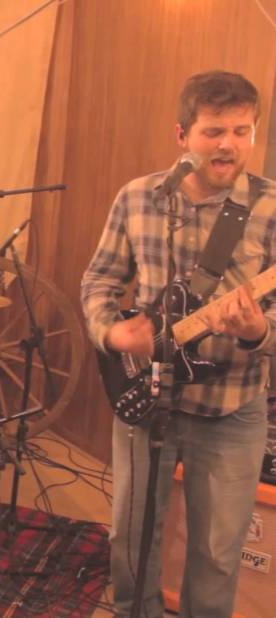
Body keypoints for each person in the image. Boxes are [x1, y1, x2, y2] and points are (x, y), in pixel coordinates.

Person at [81, 71, 275, 617]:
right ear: (182, 134)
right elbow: (99, 281)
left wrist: (258, 331)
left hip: (233, 407)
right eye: (214, 131)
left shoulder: (270, 207)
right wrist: (112, 332)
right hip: (147, 400)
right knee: (130, 540)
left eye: (241, 131)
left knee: (217, 554)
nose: (229, 144)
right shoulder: (138, 197)